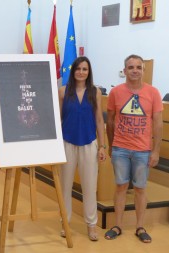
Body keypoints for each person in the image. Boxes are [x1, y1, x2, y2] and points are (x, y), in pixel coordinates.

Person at [104, 54, 163, 243]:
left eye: (138, 67)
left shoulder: (153, 92)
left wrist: (156, 150)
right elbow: (111, 121)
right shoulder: (116, 93)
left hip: (143, 150)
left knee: (140, 188)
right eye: (131, 67)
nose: (135, 70)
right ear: (125, 70)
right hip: (120, 148)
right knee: (120, 186)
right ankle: (118, 225)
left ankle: (140, 226)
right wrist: (112, 145)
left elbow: (158, 123)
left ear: (143, 70)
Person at [58, 56, 106, 241]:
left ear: (89, 72)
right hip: (67, 142)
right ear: (73, 71)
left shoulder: (95, 92)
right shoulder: (63, 91)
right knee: (65, 186)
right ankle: (65, 222)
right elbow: (58, 119)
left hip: (89, 143)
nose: (81, 72)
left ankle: (91, 225)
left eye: (85, 69)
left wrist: (102, 146)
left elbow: (99, 120)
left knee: (89, 187)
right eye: (78, 68)